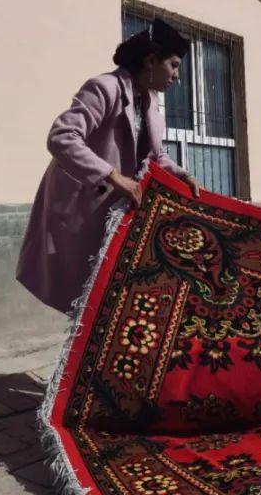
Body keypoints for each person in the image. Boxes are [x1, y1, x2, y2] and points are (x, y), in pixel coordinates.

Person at [16, 18, 202, 314]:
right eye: (174, 65)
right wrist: (113, 175)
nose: (177, 77)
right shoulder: (104, 88)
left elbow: (155, 157)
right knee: (84, 300)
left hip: (118, 213)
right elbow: (62, 137)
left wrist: (183, 175)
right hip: (82, 211)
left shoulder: (151, 103)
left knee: (107, 302)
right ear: (151, 61)